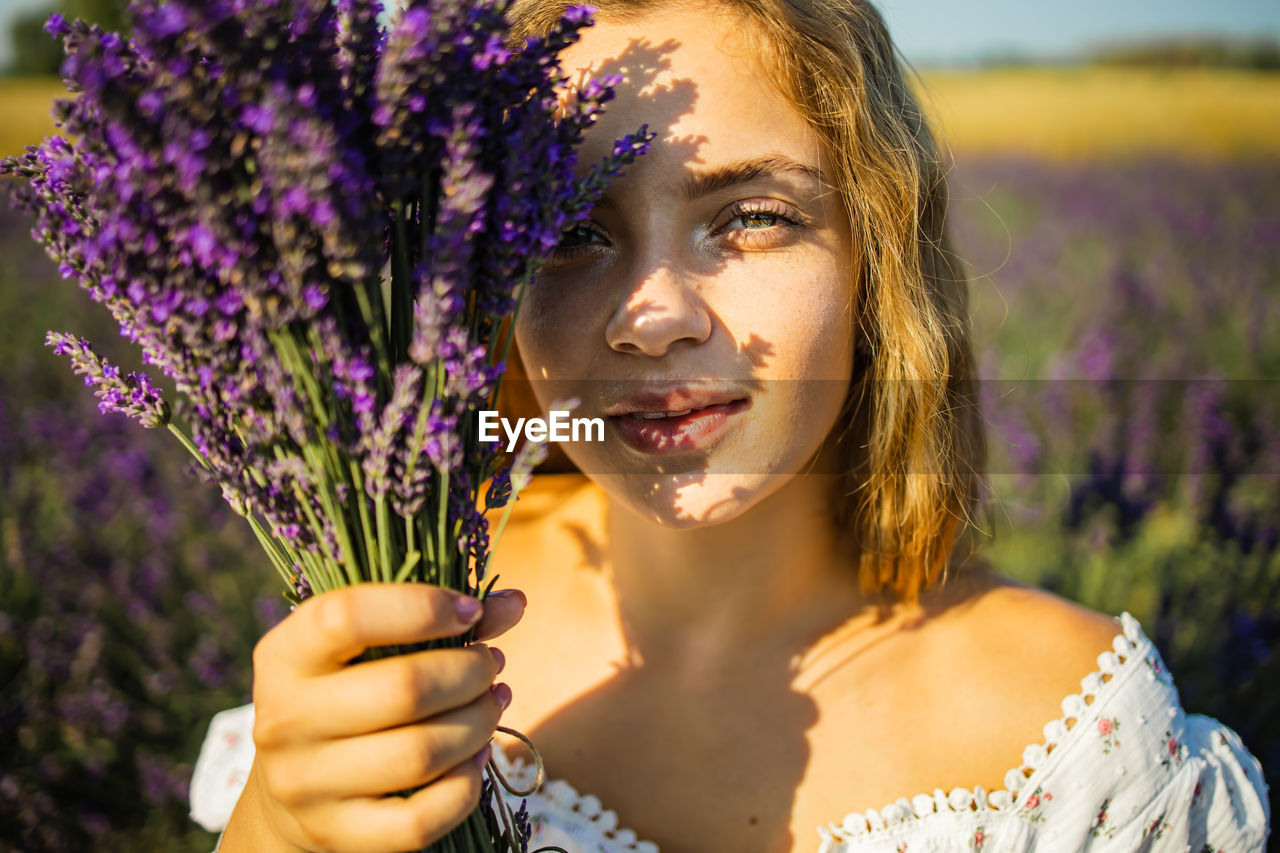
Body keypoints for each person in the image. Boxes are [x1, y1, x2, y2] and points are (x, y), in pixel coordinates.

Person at [193, 0, 1271, 850]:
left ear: (875, 258)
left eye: (749, 216)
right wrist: (279, 832)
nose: (651, 316)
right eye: (570, 231)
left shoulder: (1065, 738)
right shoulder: (405, 641)